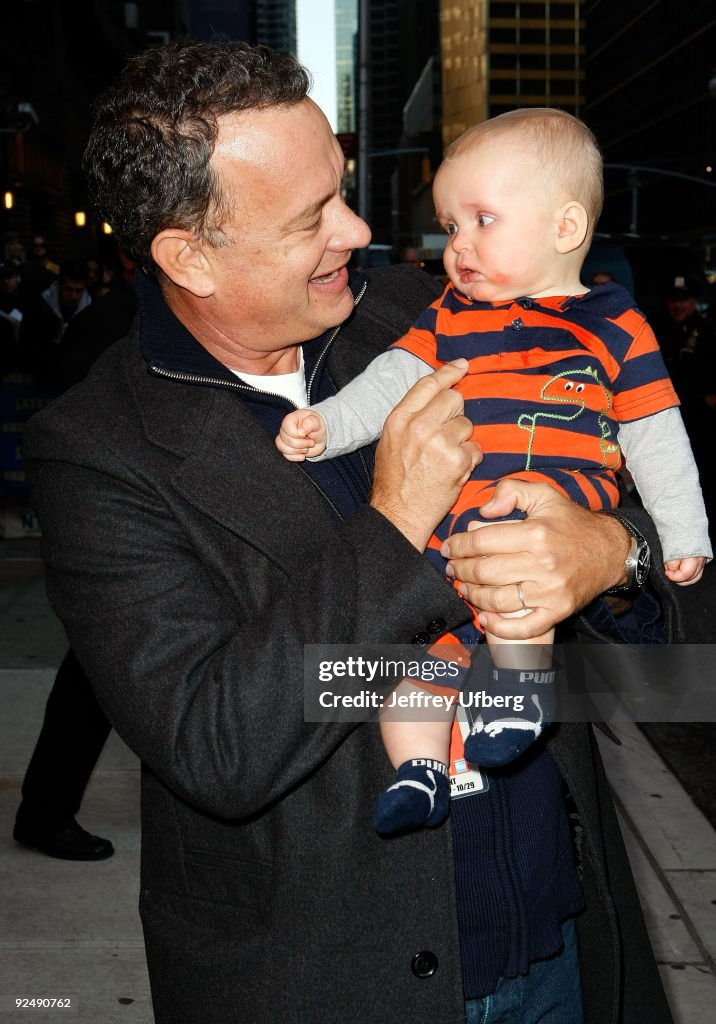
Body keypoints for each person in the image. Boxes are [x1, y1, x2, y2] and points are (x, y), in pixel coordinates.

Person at [23, 40, 677, 1024]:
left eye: (339, 188)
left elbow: (652, 521)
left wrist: (609, 555)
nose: (358, 228)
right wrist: (393, 522)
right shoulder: (98, 451)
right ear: (188, 254)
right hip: (335, 979)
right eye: (309, 217)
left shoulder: (426, 316)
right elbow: (218, 741)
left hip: (555, 934)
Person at [277, 108, 711, 834]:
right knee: (422, 658)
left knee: (518, 603)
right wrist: (329, 427)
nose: (460, 247)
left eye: (483, 220)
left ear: (565, 229)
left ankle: (517, 700)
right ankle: (418, 770)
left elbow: (655, 435)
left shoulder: (612, 325)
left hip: (538, 514)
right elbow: (393, 380)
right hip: (444, 531)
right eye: (452, 227)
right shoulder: (448, 314)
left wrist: (680, 533)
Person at [13, 254, 138, 861]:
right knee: (94, 678)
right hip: (123, 525)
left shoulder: (126, 315)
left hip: (130, 520)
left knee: (99, 678)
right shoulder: (123, 322)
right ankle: (44, 812)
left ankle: (44, 810)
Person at [656, 275, 716, 533]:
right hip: (671, 421)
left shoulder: (709, 330)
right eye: (673, 300)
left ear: (694, 301)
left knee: (706, 482)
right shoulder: (660, 330)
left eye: (684, 300)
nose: (677, 306)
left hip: (703, 423)